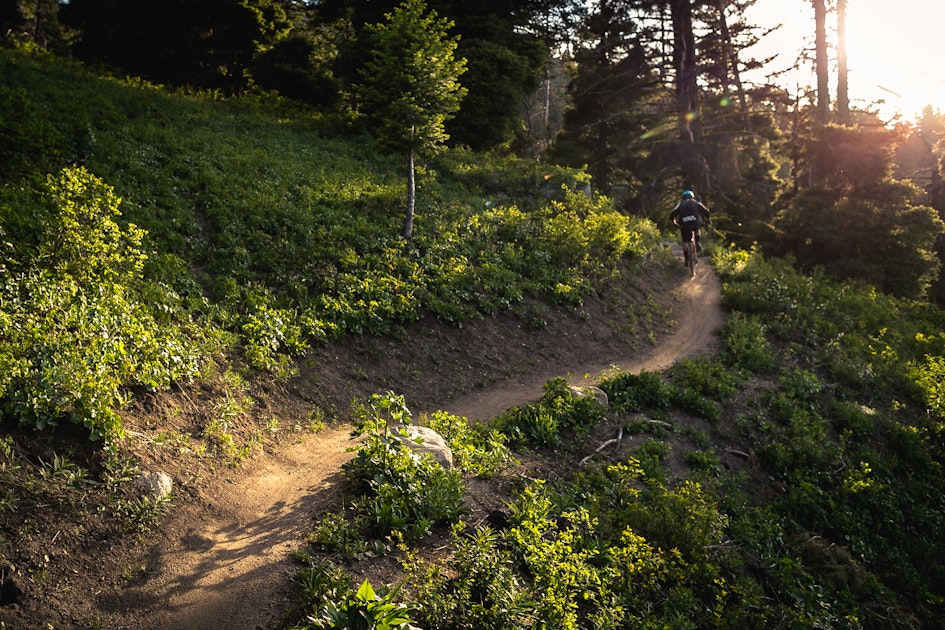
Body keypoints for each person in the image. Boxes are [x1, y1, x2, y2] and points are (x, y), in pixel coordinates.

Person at [669, 189, 710, 265]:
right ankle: (697, 241)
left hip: (684, 223)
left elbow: (671, 215)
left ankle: (686, 259)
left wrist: (675, 223)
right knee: (697, 228)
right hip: (695, 221)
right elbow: (706, 212)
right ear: (692, 196)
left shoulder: (680, 204)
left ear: (682, 197)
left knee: (685, 241)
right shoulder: (696, 203)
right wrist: (707, 221)